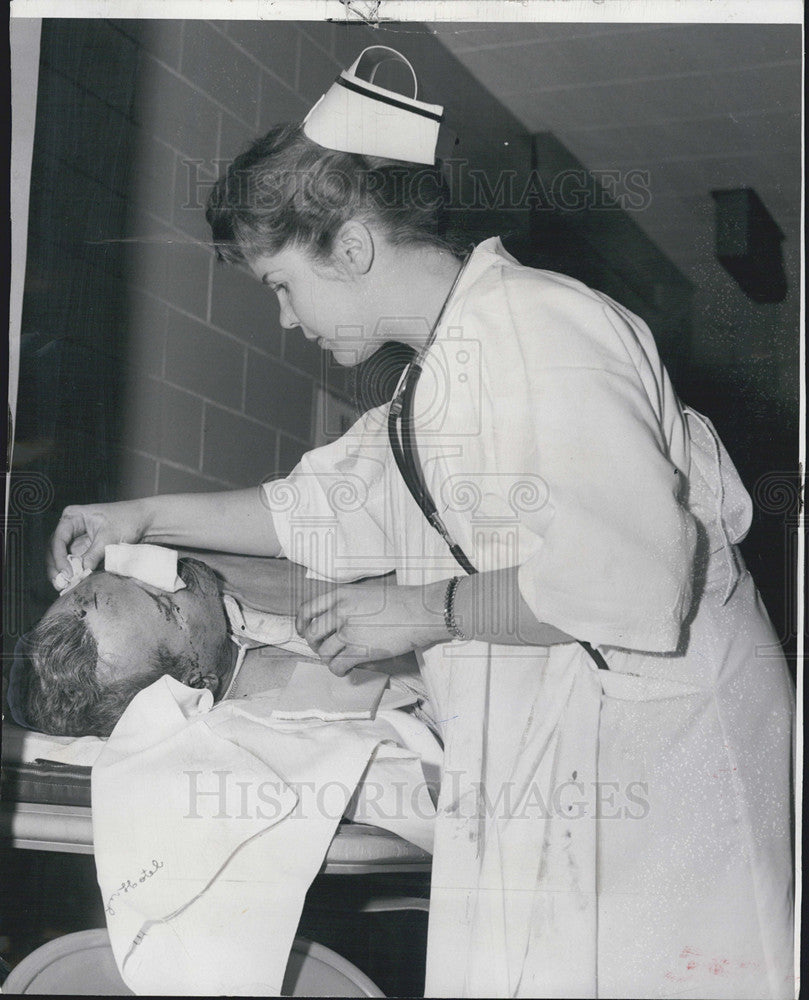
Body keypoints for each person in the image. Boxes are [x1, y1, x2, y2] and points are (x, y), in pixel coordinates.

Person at [46, 46, 794, 999]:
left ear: (351, 249)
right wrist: (138, 511)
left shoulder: (541, 327)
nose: (283, 320)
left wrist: (421, 613)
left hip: (669, 755)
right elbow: (310, 507)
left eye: (282, 285)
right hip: (570, 757)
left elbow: (631, 580)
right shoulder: (428, 391)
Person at [14, 554, 431, 738]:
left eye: (123, 573)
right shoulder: (300, 710)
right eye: (165, 603)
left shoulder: (214, 610)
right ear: (198, 682)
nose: (164, 573)